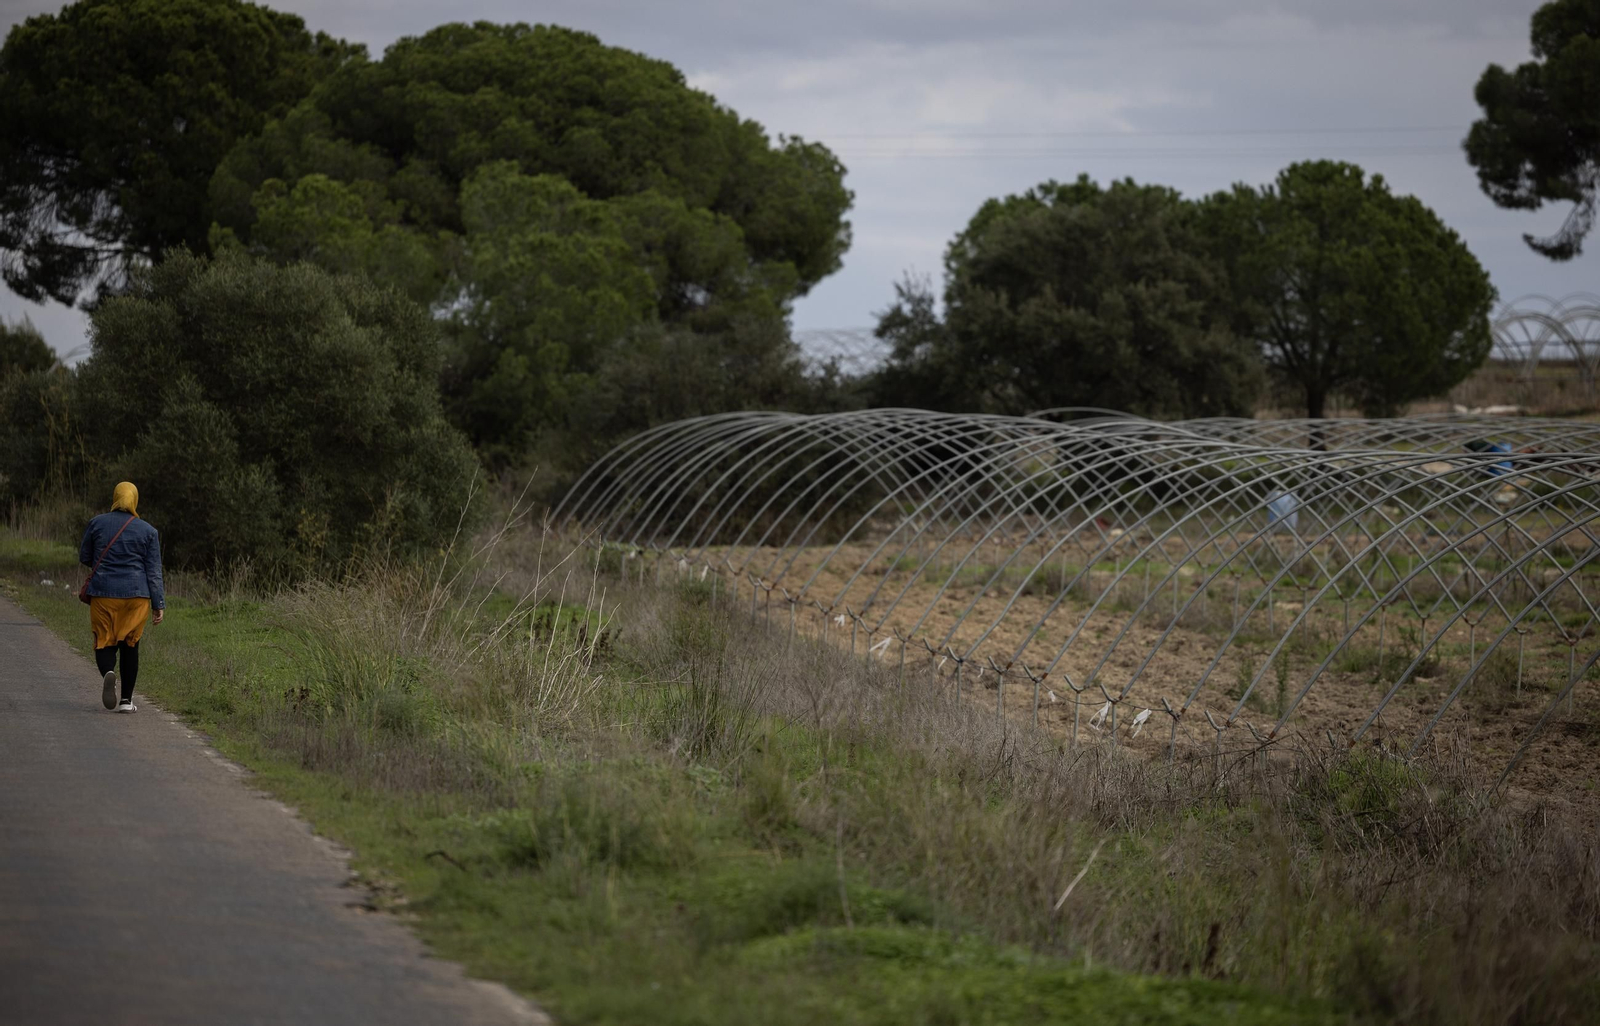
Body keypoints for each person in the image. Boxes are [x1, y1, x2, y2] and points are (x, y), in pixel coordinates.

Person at [78, 482, 165, 713]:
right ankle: (126, 701)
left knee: (103, 640)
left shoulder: (96, 523)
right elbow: (154, 571)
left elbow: (85, 556)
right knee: (130, 644)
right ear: (134, 500)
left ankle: (108, 672)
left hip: (103, 593)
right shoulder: (148, 531)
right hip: (137, 597)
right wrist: (159, 605)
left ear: (115, 498)